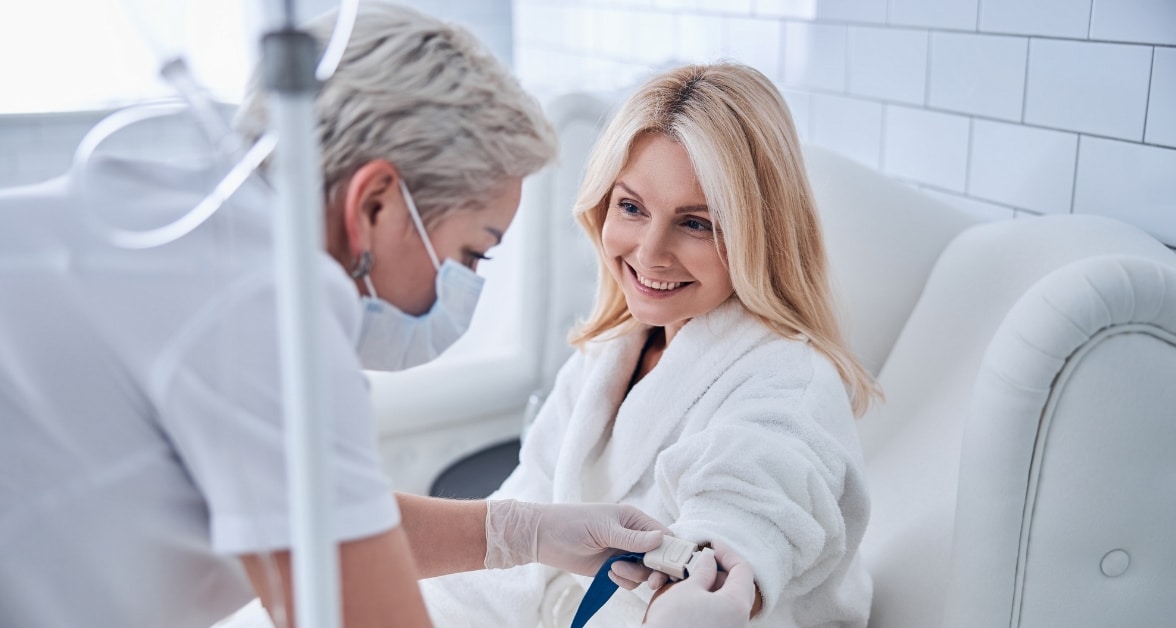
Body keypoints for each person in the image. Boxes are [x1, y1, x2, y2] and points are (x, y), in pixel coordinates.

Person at [0, 4, 750, 628]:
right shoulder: (265, 314)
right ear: (376, 204)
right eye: (472, 253)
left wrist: (525, 530)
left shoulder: (162, 225)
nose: (464, 286)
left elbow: (320, 514)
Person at [417, 62, 880, 627]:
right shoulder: (609, 354)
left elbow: (749, 514)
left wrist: (696, 597)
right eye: (631, 207)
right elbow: (527, 511)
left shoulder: (788, 387)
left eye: (697, 223)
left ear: (758, 235)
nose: (650, 253)